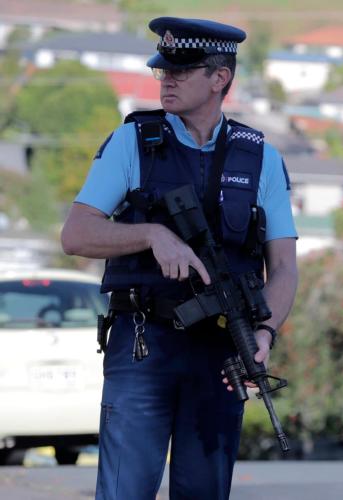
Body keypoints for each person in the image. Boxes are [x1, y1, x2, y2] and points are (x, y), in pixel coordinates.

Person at [60, 17, 298, 500]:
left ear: (220, 78)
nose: (166, 79)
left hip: (219, 353)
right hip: (144, 346)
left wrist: (265, 333)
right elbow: (76, 234)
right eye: (162, 70)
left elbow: (286, 267)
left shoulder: (261, 158)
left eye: (181, 71)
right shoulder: (133, 142)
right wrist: (150, 235)